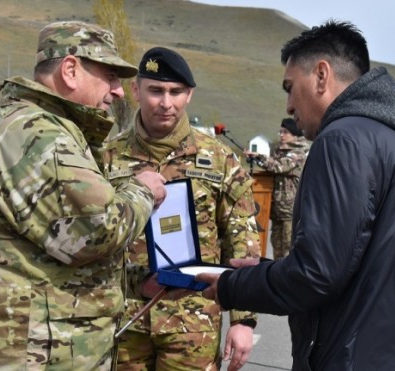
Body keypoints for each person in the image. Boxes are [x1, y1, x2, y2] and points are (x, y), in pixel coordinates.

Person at [197, 20, 395, 370]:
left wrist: (231, 285)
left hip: (348, 357)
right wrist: (269, 271)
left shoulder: (342, 140)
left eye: (290, 87)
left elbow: (316, 276)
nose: (288, 105)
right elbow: (363, 268)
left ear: (321, 75)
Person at [0, 21, 168, 370]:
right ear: (71, 70)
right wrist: (144, 191)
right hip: (21, 356)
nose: (118, 91)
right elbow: (94, 232)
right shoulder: (37, 134)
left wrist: (138, 283)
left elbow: (49, 254)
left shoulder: (47, 129)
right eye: (109, 75)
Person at [103, 47, 261, 370]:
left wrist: (244, 320)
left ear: (189, 95)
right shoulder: (107, 157)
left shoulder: (219, 160)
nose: (166, 102)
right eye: (156, 91)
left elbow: (242, 239)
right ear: (136, 90)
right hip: (128, 318)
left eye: (176, 92)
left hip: (195, 323)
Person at [245, 117, 310, 258]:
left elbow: (279, 166)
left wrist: (259, 157)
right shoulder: (280, 152)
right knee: (277, 244)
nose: (281, 135)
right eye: (280, 132)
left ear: (294, 134)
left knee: (288, 246)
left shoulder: (298, 153)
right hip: (278, 207)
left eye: (285, 132)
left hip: (291, 209)